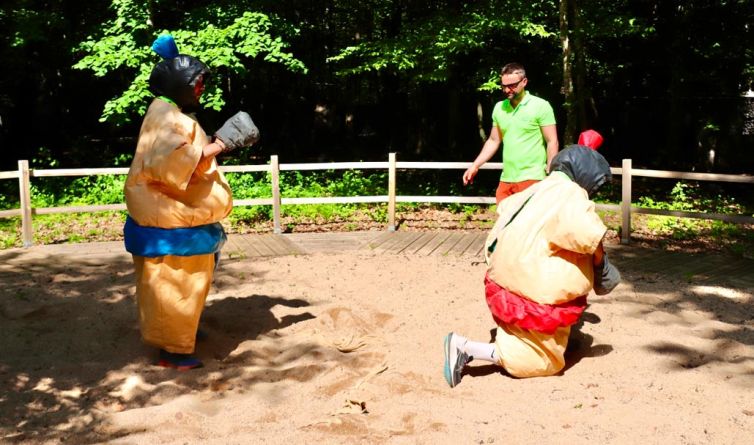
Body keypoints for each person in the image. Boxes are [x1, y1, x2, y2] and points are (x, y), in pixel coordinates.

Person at [123, 35, 259, 370]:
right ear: (179, 84)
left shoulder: (169, 113)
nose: (201, 89)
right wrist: (223, 143)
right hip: (171, 222)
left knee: (185, 284)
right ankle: (174, 351)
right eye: (197, 84)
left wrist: (216, 143)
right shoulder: (165, 117)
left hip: (180, 220)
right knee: (175, 285)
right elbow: (171, 161)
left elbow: (182, 157)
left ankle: (180, 335)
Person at [444, 145, 620, 386]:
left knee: (534, 337)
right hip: (530, 285)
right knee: (542, 362)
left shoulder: (537, 188)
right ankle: (466, 348)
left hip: (503, 278)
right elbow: (588, 233)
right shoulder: (570, 193)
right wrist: (601, 264)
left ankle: (526, 343)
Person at [462, 63, 559, 204]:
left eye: (512, 85)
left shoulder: (541, 106)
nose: (507, 90)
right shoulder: (499, 108)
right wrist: (475, 165)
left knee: (529, 224)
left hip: (533, 178)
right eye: (504, 86)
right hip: (506, 179)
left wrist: (551, 171)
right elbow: (493, 140)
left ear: (524, 82)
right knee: (505, 224)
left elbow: (552, 141)